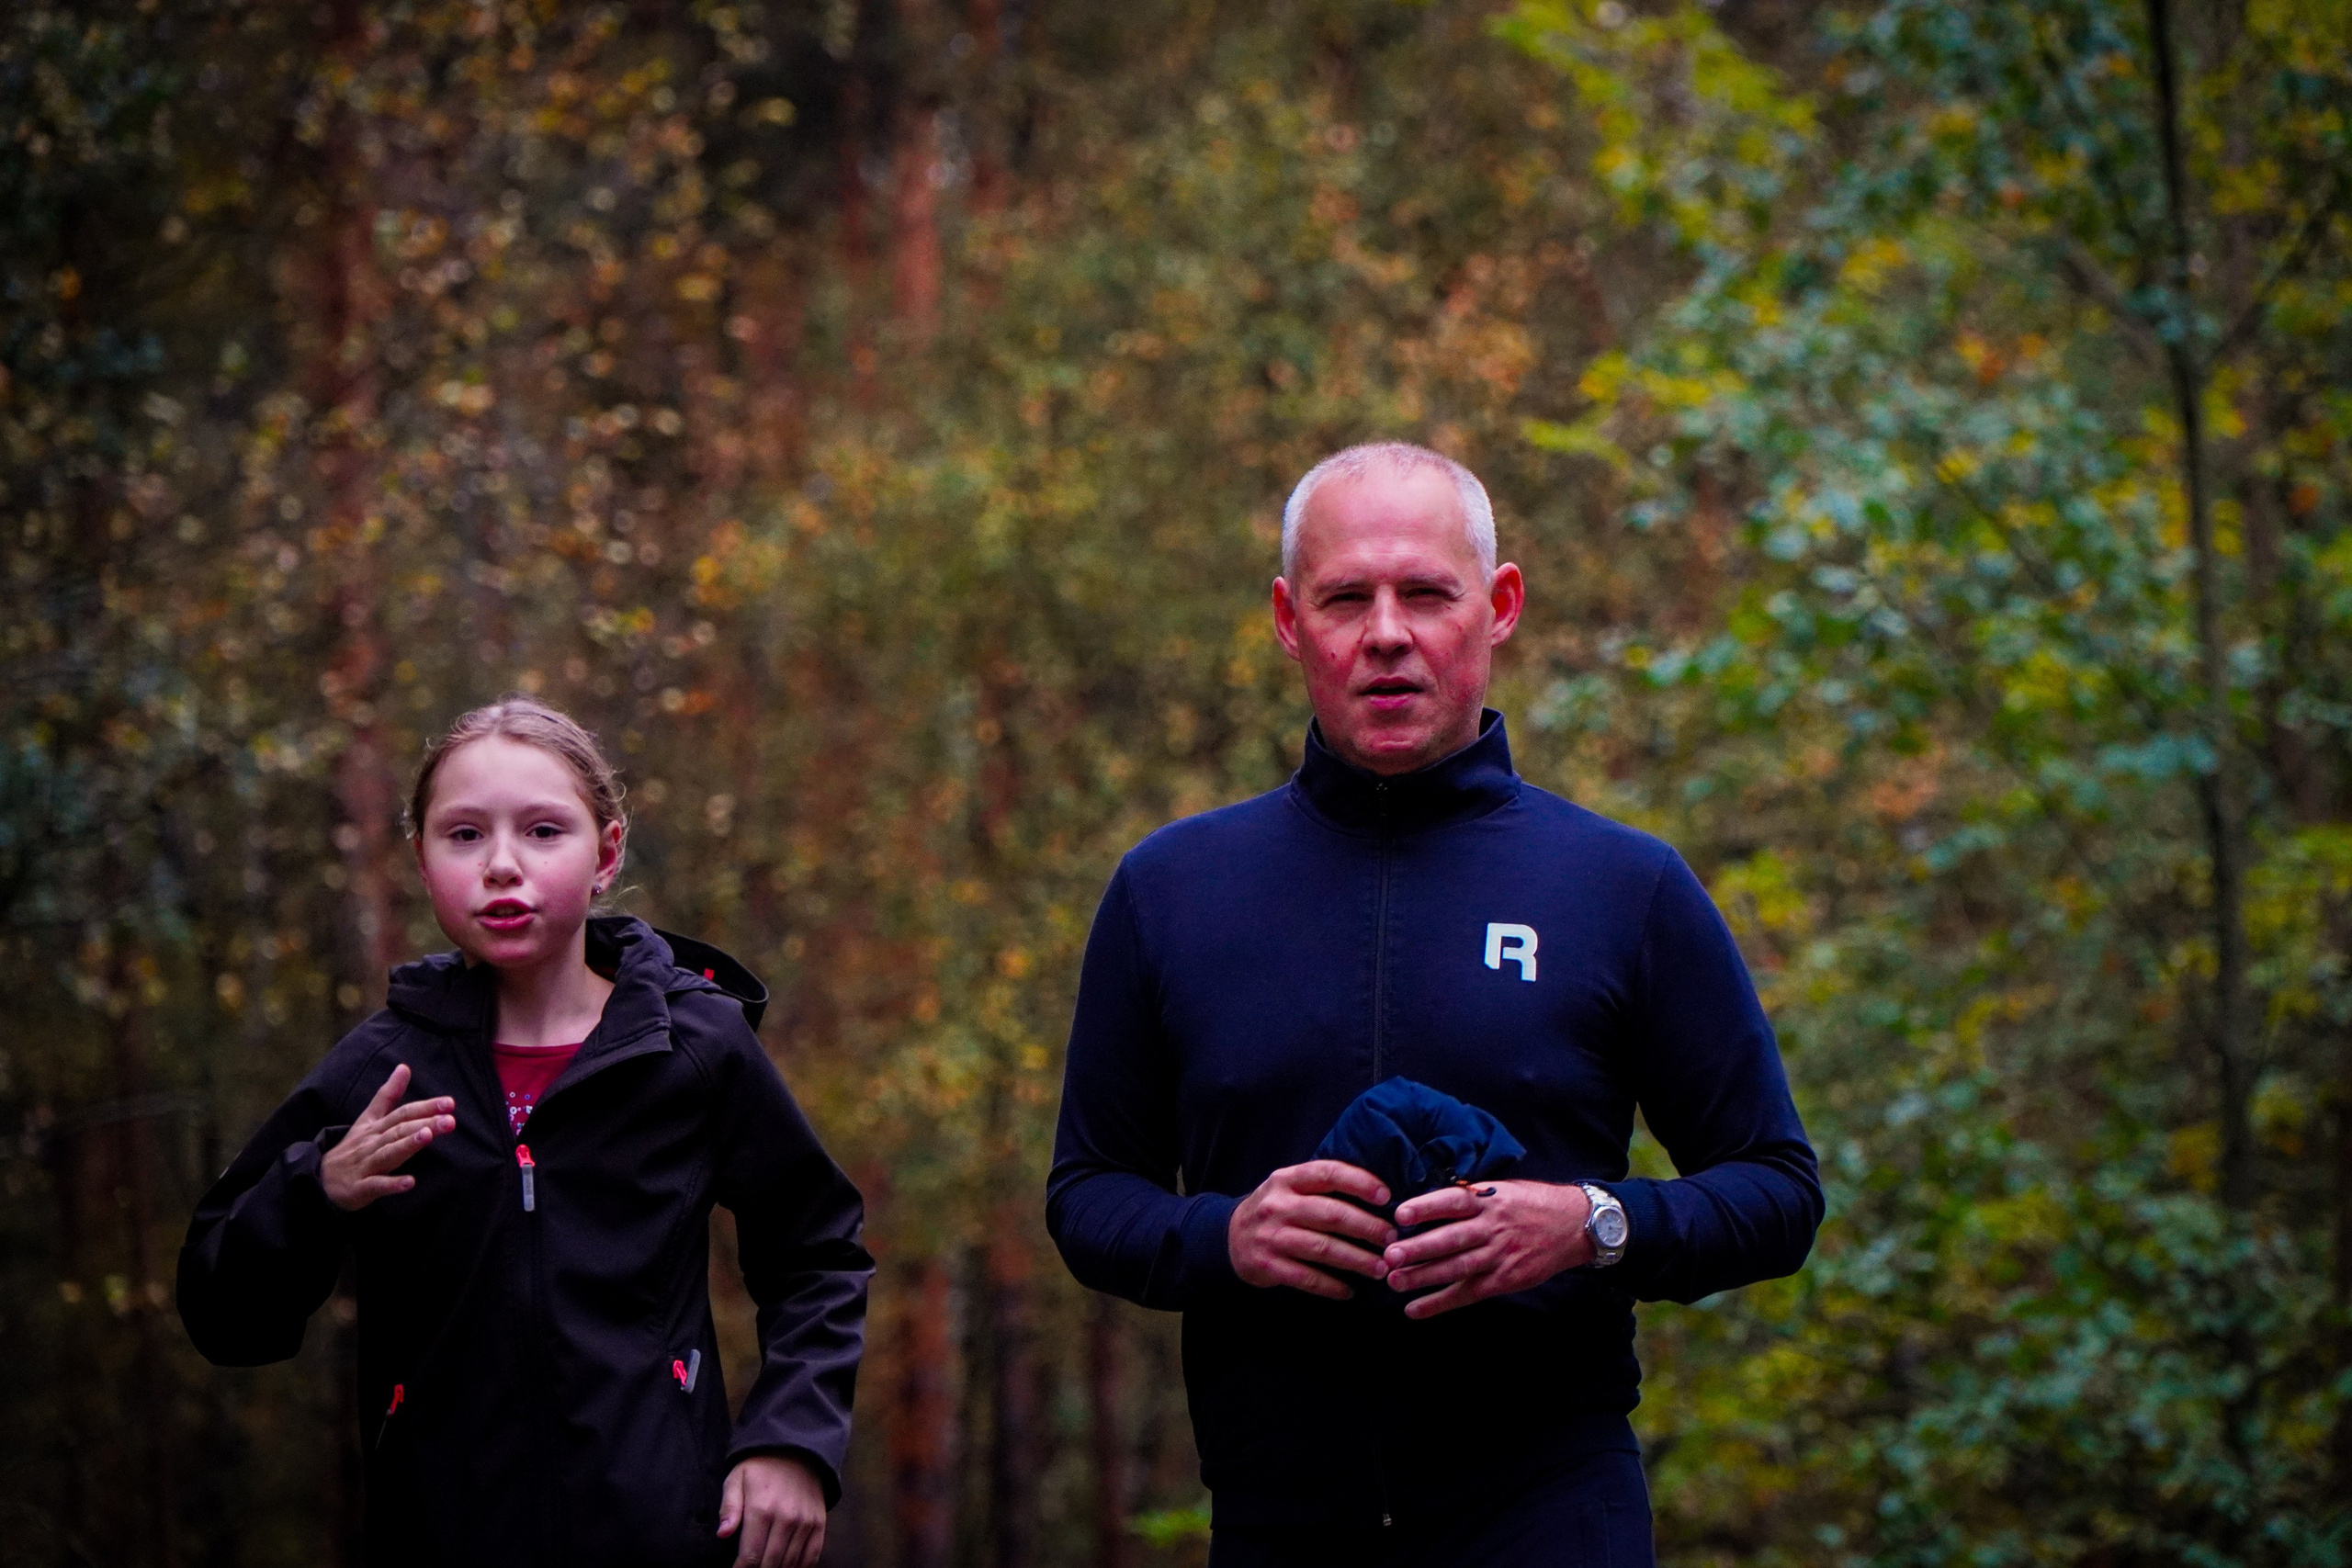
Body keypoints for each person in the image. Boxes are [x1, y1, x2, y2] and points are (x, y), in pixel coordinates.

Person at [1046, 443, 1823, 1566]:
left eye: (1426, 593)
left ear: (1498, 606)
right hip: (1277, 1517)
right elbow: (1088, 1197)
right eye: (1345, 598)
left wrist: (1593, 1224)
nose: (1387, 633)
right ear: (1285, 620)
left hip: (1551, 1510)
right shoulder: (1171, 890)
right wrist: (1225, 1235)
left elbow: (1777, 1190)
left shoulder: (1621, 886)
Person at [178, 698, 870, 1568]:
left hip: (663, 1534)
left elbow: (818, 1254)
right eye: (463, 835)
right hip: (441, 1533)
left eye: (544, 832)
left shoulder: (691, 1046)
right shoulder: (383, 1068)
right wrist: (316, 1191)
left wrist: (791, 1442)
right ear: (423, 862)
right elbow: (221, 1312)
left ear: (606, 855)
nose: (502, 864)